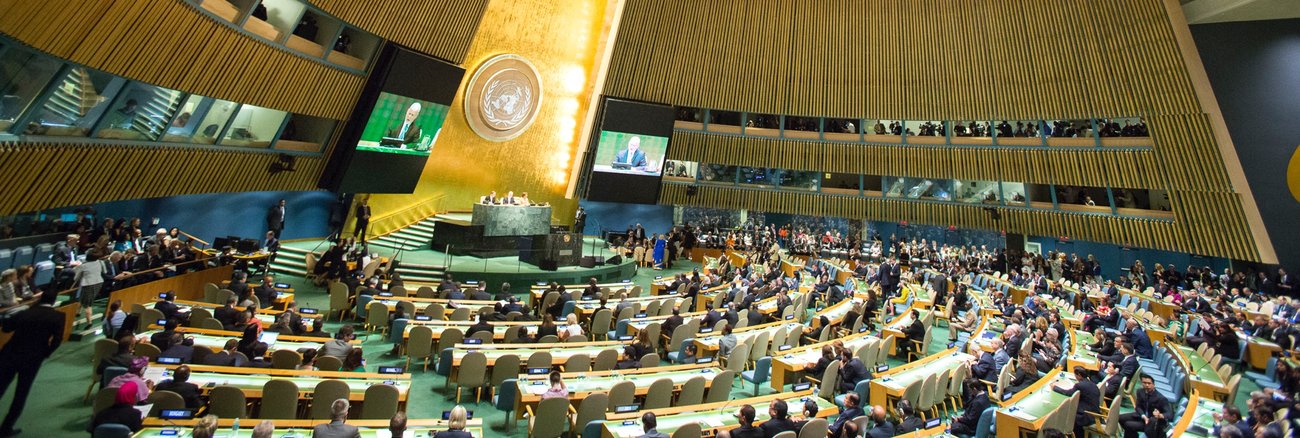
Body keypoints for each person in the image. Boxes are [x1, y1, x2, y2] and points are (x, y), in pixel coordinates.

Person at [0, 289, 64, 436]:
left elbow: (6, 328)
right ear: (54, 301)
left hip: (10, 354)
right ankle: (5, 428)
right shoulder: (57, 316)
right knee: (21, 393)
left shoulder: (26, 312)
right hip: (33, 359)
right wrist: (45, 353)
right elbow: (57, 340)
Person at [1052, 366, 1100, 437]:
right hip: (1095, 413)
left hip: (1087, 416)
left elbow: (1068, 393)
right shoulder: (1092, 383)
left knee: (1066, 414)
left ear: (1079, 375)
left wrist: (1054, 387)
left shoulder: (1080, 385)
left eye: (1075, 375)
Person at [73, 251, 106, 328]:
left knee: (87, 304)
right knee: (83, 297)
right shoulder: (100, 262)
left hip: (88, 284)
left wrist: (76, 269)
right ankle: (77, 312)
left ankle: (89, 322)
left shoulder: (83, 266)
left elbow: (76, 278)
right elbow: (104, 271)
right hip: (99, 283)